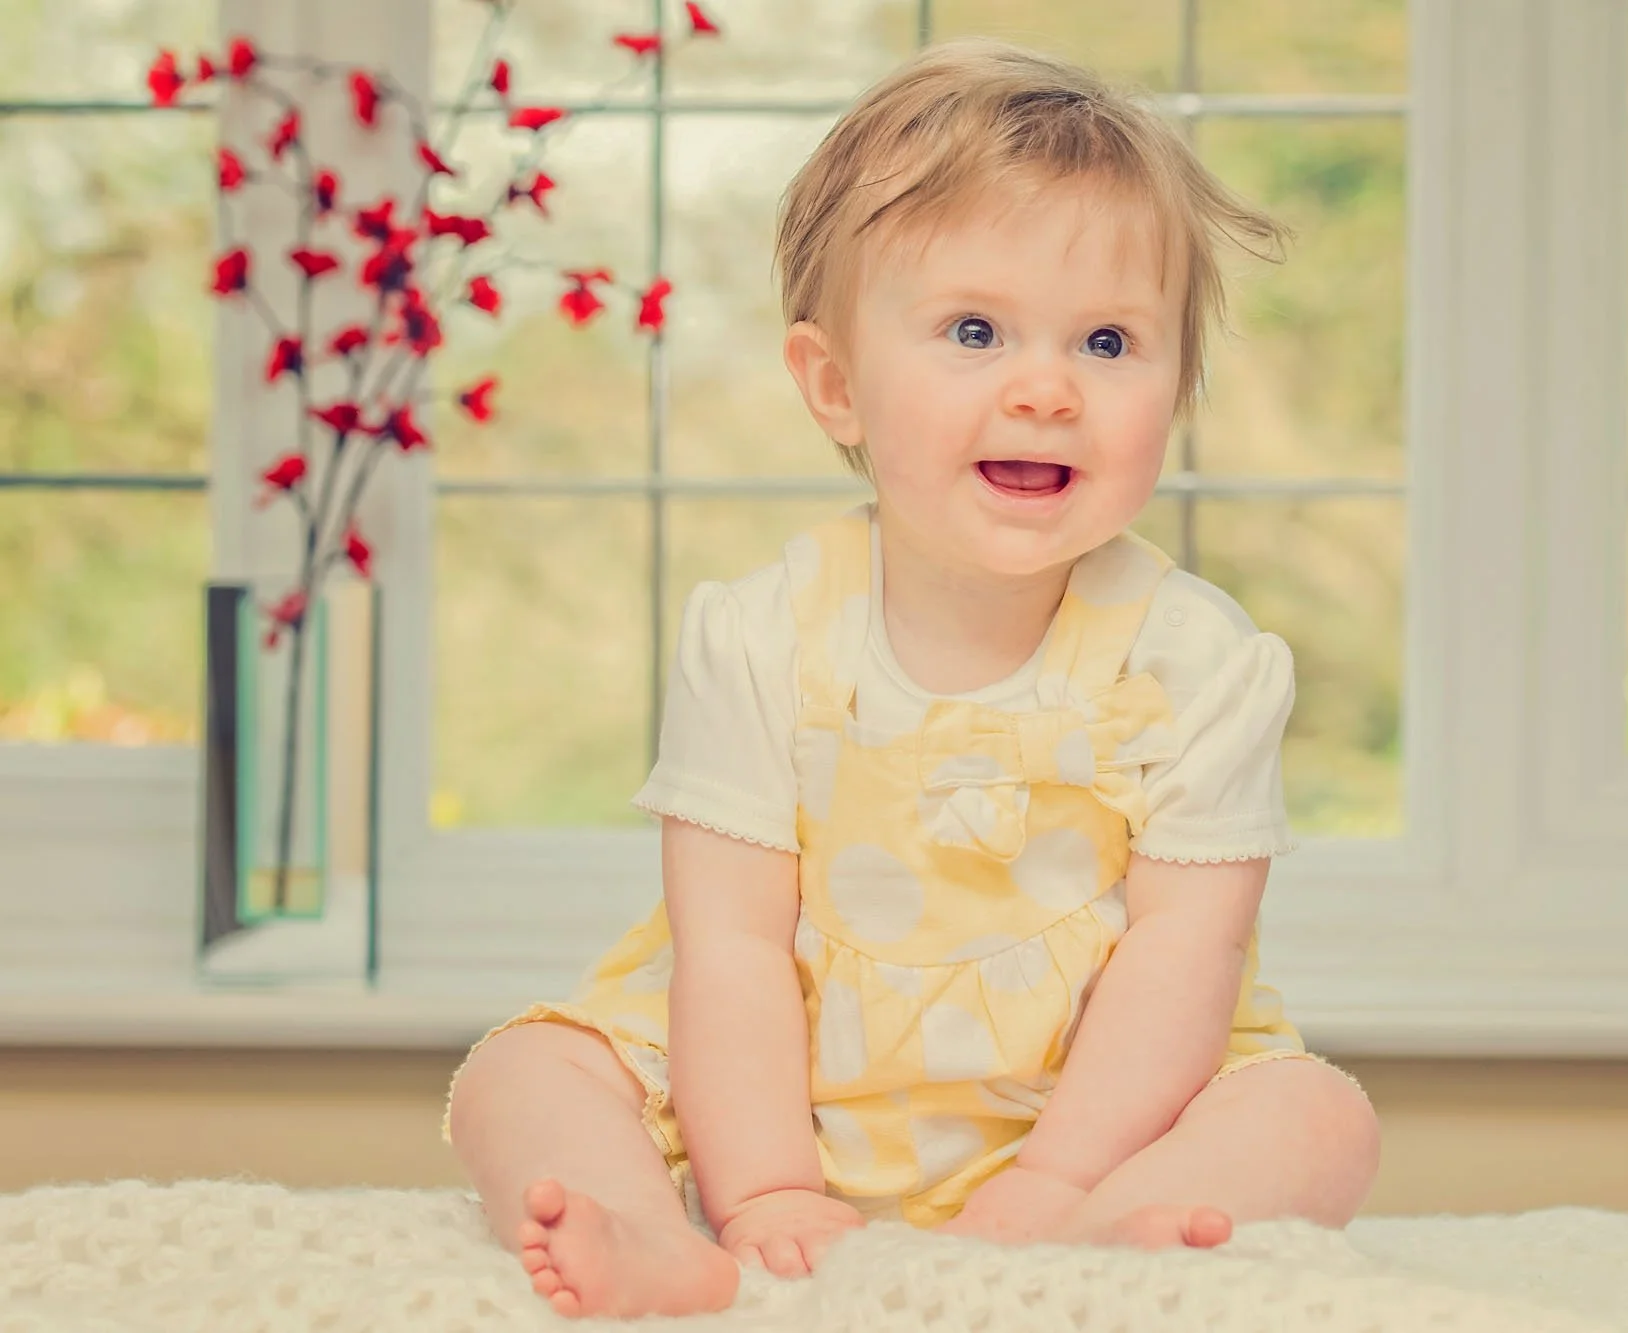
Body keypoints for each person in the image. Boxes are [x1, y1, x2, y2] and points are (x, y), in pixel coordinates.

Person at [442, 37, 1380, 1321]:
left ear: (1179, 390)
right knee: (523, 1071)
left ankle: (1106, 1237)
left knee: (1317, 1113)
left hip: (1086, 1096)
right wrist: (763, 1182)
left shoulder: (1200, 664)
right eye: (976, 331)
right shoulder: (759, 637)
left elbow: (1185, 951)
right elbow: (729, 942)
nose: (1046, 388)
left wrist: (1059, 1173)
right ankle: (656, 1235)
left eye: (1109, 341)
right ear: (834, 386)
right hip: (772, 1082)